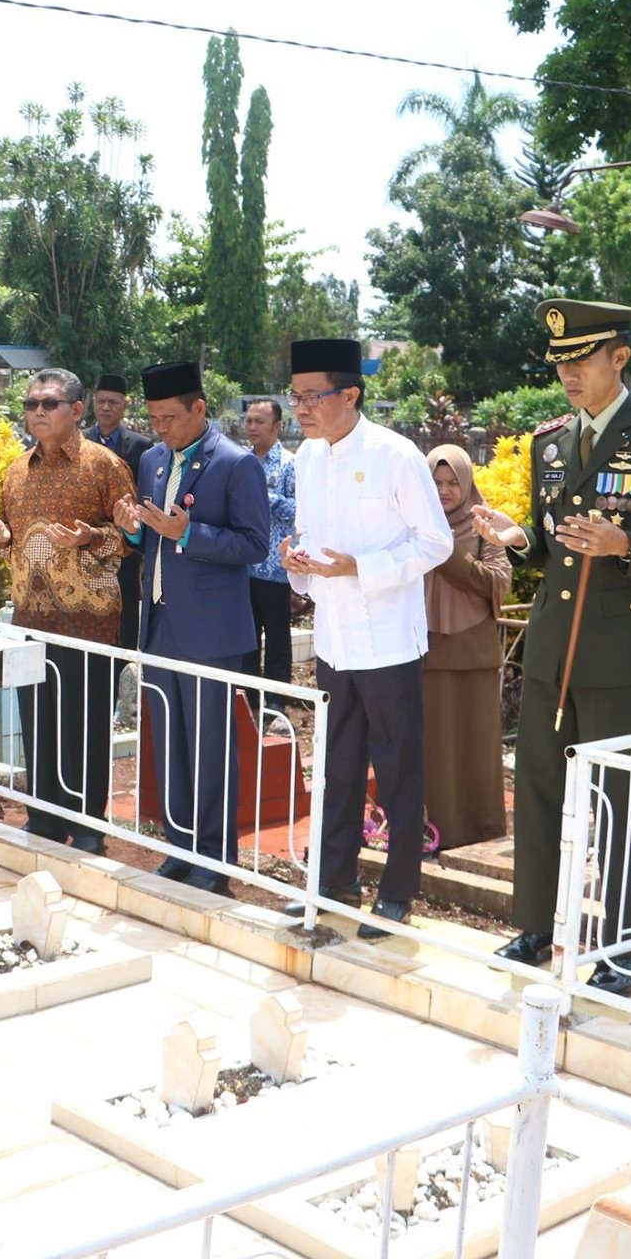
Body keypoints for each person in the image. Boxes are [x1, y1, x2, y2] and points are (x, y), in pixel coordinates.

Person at [471, 299, 631, 996]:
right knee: (539, 787)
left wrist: (626, 542)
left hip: (617, 651)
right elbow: (552, 542)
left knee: (620, 799)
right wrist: (518, 537)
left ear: (619, 358)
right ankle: (536, 924)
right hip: (550, 645)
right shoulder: (550, 441)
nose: (568, 374)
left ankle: (626, 947)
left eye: (581, 360)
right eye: (560, 363)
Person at [277, 340, 452, 935]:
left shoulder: (396, 455)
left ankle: (399, 892)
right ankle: (334, 880)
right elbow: (311, 539)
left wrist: (361, 567)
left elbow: (435, 543)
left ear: (349, 394)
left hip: (387, 642)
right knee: (336, 767)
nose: (300, 407)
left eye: (311, 396)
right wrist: (295, 561)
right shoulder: (306, 457)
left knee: (398, 770)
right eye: (294, 395)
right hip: (333, 639)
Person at [111, 360, 270, 894]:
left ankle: (214, 859)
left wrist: (189, 533)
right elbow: (150, 540)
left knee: (210, 748)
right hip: (161, 623)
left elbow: (254, 545)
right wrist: (134, 532)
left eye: (171, 418)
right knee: (169, 744)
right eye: (154, 418)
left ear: (200, 408)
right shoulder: (153, 459)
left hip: (211, 632)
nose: (160, 428)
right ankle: (180, 848)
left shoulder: (236, 464)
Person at [0, 369, 131, 849]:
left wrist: (91, 536)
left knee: (84, 725)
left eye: (49, 404)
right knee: (39, 723)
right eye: (31, 405)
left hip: (89, 623)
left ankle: (88, 824)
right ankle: (43, 816)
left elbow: (130, 540)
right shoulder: (15, 470)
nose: (38, 412)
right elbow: (13, 540)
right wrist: (2, 539)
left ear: (77, 410)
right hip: (30, 620)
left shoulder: (104, 466)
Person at [423, 444, 517, 850]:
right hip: (423, 648)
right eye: (436, 482)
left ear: (467, 484)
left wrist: (448, 552)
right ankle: (435, 829)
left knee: (474, 744)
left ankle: (479, 828)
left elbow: (498, 581)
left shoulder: (483, 524)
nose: (444, 491)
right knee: (434, 748)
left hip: (472, 650)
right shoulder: (414, 523)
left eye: (452, 483)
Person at [83, 373, 154, 660]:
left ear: (124, 405)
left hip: (124, 546)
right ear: (92, 403)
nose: (106, 407)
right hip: (85, 544)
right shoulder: (80, 440)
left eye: (113, 402)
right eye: (101, 401)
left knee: (124, 620)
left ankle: (122, 684)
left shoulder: (140, 446)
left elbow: (146, 495)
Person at [241, 398, 299, 713]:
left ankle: (276, 703)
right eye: (249, 421)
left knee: (277, 639)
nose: (252, 427)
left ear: (278, 426)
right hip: (243, 568)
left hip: (276, 569)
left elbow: (299, 512)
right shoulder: (239, 461)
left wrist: (265, 496)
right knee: (247, 640)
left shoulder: (290, 464)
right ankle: (249, 702)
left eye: (259, 422)